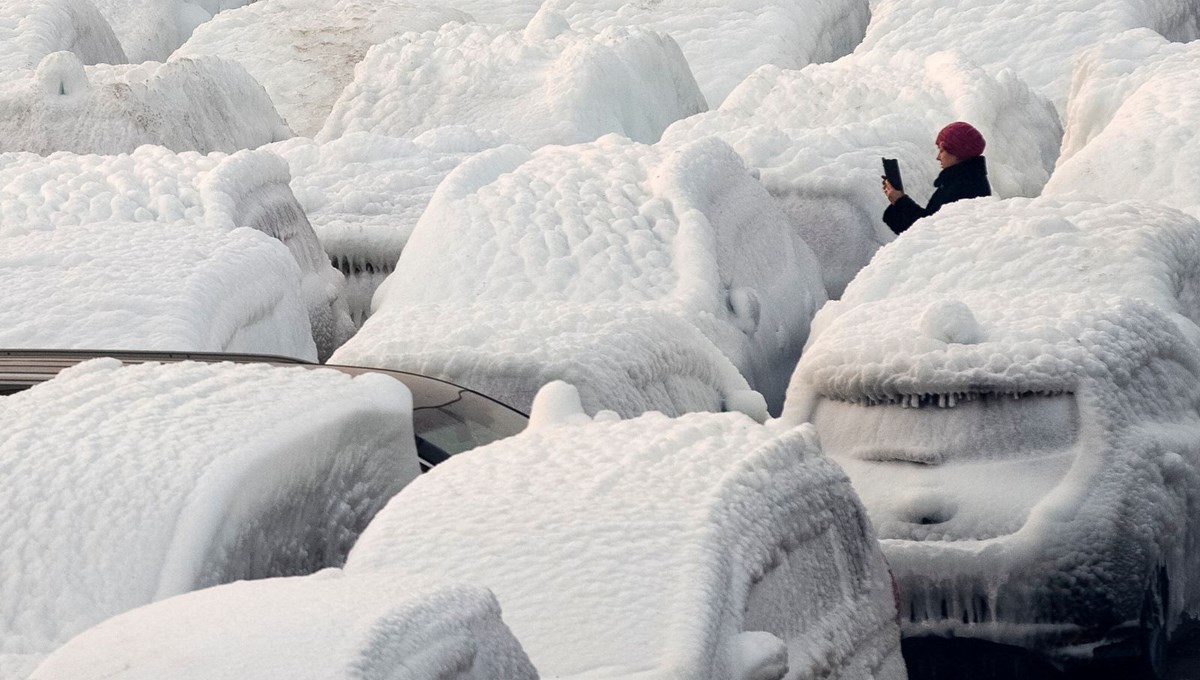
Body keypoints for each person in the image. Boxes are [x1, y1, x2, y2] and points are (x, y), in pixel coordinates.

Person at [882, 121, 992, 235]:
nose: (938, 157)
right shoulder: (966, 180)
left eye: (942, 150)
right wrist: (898, 201)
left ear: (957, 153)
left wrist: (900, 201)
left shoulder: (963, 187)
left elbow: (930, 233)